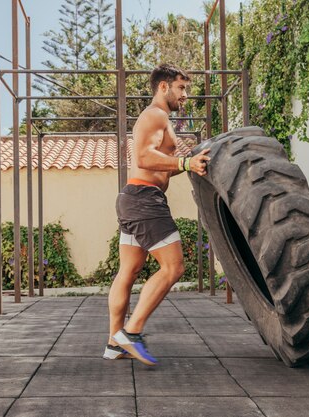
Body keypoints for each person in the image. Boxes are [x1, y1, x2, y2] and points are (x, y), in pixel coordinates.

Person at [103, 64, 210, 366]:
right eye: (181, 88)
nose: (185, 95)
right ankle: (131, 333)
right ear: (164, 87)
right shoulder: (155, 115)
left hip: (133, 198)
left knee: (129, 271)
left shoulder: (159, 118)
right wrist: (186, 164)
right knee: (174, 267)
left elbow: (157, 165)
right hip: (144, 200)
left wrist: (188, 165)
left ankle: (114, 342)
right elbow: (143, 157)